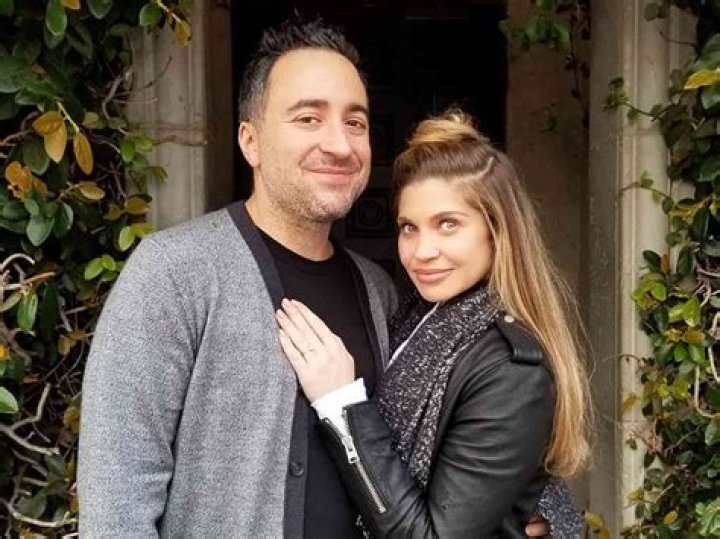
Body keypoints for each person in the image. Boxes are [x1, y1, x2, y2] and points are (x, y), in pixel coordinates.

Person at [78, 16, 558, 537]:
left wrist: (540, 513)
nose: (339, 145)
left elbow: (459, 445)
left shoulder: (381, 292)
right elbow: (117, 500)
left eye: (355, 123)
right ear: (251, 142)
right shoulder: (173, 274)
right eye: (309, 118)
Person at [276, 110, 591, 537]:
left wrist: (339, 405)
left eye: (448, 225)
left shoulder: (512, 371)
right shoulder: (415, 314)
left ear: (497, 231)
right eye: (409, 227)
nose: (422, 251)